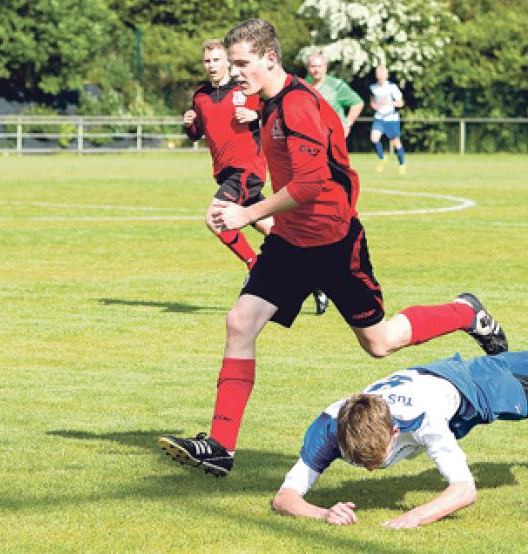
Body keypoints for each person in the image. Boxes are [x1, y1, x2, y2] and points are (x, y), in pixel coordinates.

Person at [158, 19, 507, 478]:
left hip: (334, 242)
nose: (236, 72)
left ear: (270, 59)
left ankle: (466, 313)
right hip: (289, 242)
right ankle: (221, 446)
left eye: (243, 63)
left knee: (379, 343)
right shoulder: (267, 104)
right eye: (232, 63)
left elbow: (311, 182)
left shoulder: (299, 105)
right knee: (240, 323)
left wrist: (248, 213)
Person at [271, 286, 528, 528]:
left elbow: (464, 490)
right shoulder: (329, 427)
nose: (371, 469)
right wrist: (323, 513)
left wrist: (414, 518)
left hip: (470, 392)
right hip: (431, 374)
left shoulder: (426, 421)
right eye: (359, 460)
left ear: (397, 431)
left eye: (376, 458)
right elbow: (284, 497)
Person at [185, 40, 330, 315]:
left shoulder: (246, 88)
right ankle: (316, 278)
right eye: (207, 61)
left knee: (215, 219)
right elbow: (197, 132)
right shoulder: (201, 95)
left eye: (217, 60)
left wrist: (255, 115)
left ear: (228, 62)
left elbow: (274, 112)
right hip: (225, 173)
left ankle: (256, 268)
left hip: (247, 169)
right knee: (281, 233)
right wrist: (190, 125)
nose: (212, 66)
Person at [304, 53, 364, 139]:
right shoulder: (301, 86)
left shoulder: (337, 85)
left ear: (325, 68)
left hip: (333, 134)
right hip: (309, 135)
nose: (316, 70)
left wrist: (347, 124)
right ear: (308, 68)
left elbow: (358, 103)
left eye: (319, 66)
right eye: (313, 66)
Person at [369, 65, 407, 175]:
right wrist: (374, 106)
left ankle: (402, 165)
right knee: (374, 138)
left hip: (391, 118)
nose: (380, 75)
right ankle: (382, 158)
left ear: (386, 75)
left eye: (382, 73)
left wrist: (389, 103)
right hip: (379, 118)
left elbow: (400, 103)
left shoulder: (392, 87)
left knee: (396, 143)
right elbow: (372, 101)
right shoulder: (373, 87)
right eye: (378, 73)